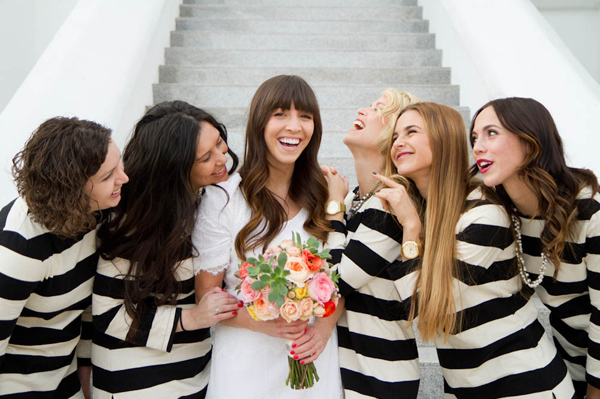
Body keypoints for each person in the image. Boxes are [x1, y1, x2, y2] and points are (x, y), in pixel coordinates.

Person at [375, 102, 575, 398]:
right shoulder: (426, 209)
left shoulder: (484, 213)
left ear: (443, 138)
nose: (398, 143)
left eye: (411, 132)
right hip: (465, 382)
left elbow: (424, 305)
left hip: (525, 382)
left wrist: (410, 227)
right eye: (394, 137)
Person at [194, 75, 343, 398]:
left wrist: (323, 328)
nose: (295, 126)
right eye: (280, 114)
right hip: (248, 363)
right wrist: (261, 320)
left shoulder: (325, 192)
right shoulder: (225, 198)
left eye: (305, 116)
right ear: (259, 123)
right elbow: (207, 295)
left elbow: (341, 279)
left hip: (313, 354)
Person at [91, 101, 241, 398]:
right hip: (135, 380)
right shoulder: (136, 219)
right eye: (205, 157)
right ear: (176, 167)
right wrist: (193, 318)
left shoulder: (208, 200)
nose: (222, 157)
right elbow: (109, 315)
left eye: (220, 143)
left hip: (196, 373)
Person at [471, 97, 600, 398]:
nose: (477, 147)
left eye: (491, 133)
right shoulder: (502, 215)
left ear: (530, 142)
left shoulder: (589, 211)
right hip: (566, 362)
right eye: (474, 137)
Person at [0, 117, 128, 398]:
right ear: (72, 189)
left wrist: (84, 377)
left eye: (120, 164)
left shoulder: (97, 213)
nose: (124, 178)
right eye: (108, 176)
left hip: (64, 378)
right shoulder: (19, 248)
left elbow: (86, 308)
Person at [323, 90, 421, 398]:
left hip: (381, 375)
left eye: (379, 109)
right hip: (352, 367)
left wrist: (333, 207)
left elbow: (333, 281)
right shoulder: (356, 198)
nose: (363, 109)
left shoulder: (390, 204)